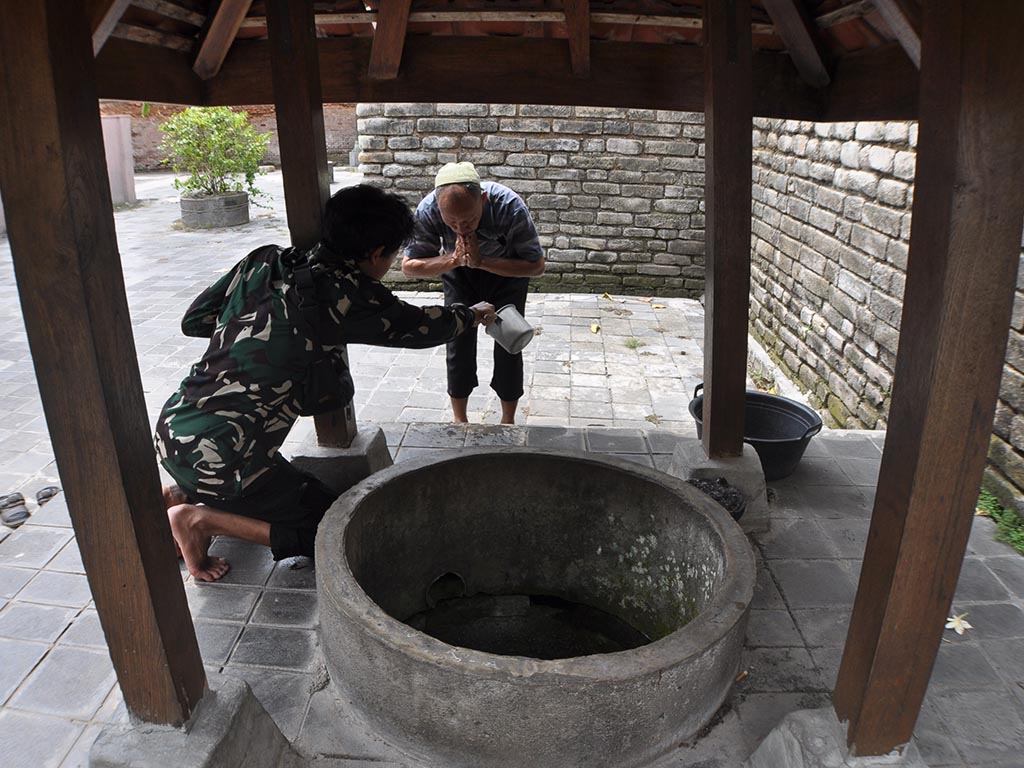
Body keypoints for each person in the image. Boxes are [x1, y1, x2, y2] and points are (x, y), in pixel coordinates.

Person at [155, 184, 495, 582]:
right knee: (334, 530)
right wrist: (473, 314)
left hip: (172, 428)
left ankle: (180, 490)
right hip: (227, 456)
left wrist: (255, 334)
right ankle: (198, 519)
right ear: (375, 254)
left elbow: (193, 321)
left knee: (248, 475)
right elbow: (420, 328)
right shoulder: (351, 294)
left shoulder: (264, 259)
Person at [402, 162, 545, 425]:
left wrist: (482, 261)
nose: (460, 227)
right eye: (451, 221)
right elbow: (410, 267)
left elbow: (536, 266)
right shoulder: (428, 210)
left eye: (469, 219)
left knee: (510, 342)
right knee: (457, 338)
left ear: (483, 199)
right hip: (459, 273)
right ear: (438, 205)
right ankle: (460, 420)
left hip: (506, 274)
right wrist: (455, 260)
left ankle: (508, 420)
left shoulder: (509, 207)